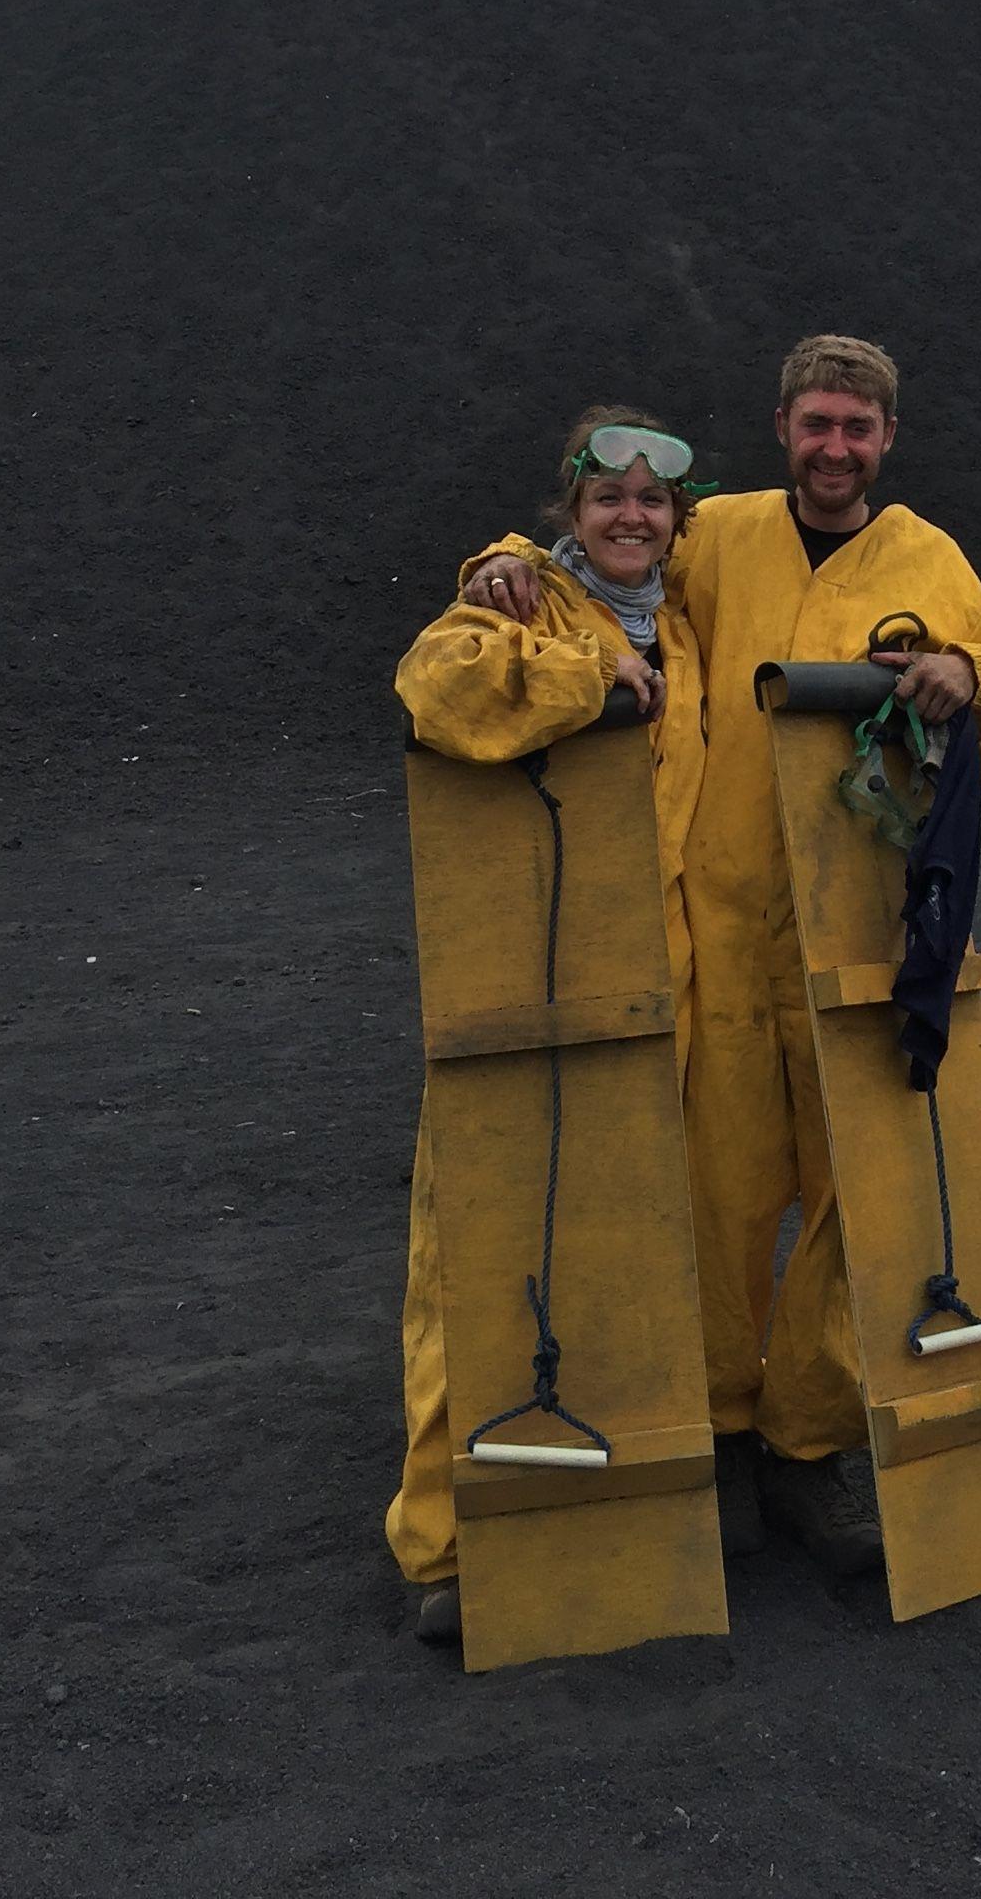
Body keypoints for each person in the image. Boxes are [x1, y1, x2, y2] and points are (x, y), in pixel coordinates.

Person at [463, 334, 981, 1580]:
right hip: (725, 925)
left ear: (886, 441)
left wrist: (961, 669)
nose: (835, 448)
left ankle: (807, 1446)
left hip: (860, 930)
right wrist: (505, 561)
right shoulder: (718, 532)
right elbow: (603, 564)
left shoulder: (928, 558)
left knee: (856, 1195)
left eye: (858, 429)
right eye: (816, 424)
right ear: (783, 427)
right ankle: (724, 1433)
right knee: (719, 1194)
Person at [385, 407, 707, 1648]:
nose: (631, 517)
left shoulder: (683, 618)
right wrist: (580, 679)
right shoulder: (528, 609)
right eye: (606, 498)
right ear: (568, 511)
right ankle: (444, 1541)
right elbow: (436, 683)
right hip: (521, 985)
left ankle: (607, 1507)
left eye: (653, 501)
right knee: (475, 1256)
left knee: (622, 1249)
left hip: (650, 988)